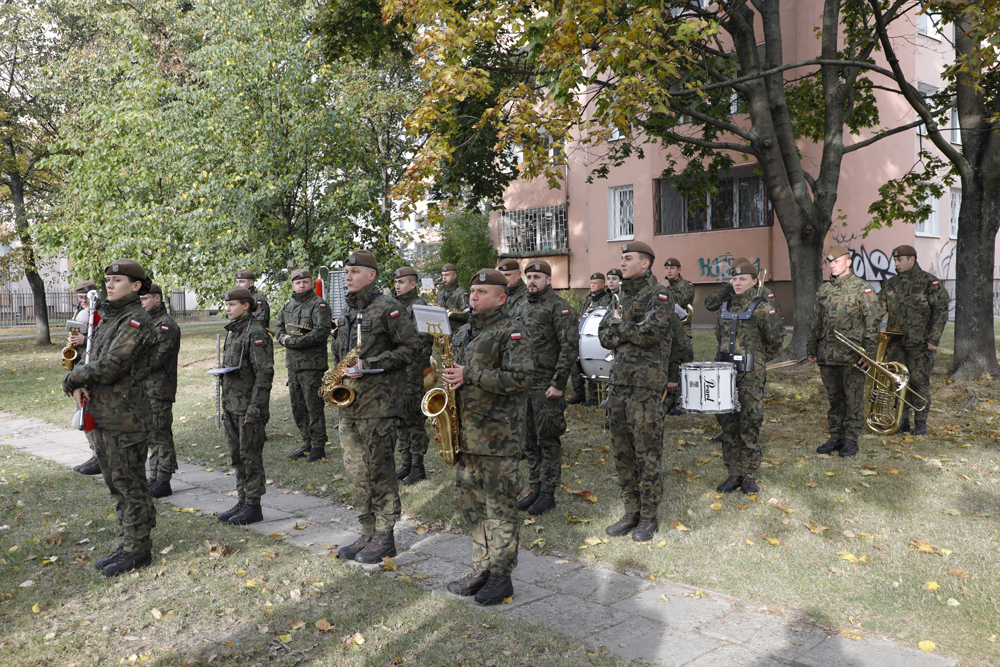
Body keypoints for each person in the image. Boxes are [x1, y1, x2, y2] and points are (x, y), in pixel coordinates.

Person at [62, 259, 157, 577]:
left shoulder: (137, 320)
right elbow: (93, 358)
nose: (110, 285)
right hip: (103, 411)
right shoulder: (107, 318)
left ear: (136, 286)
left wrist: (74, 378)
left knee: (130, 484)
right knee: (116, 484)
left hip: (126, 417)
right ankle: (128, 542)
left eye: (117, 280)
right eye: (108, 280)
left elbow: (114, 363)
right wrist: (81, 384)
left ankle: (138, 550)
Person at [444, 269, 534, 605]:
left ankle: (501, 575)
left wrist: (470, 375)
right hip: (467, 435)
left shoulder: (512, 332)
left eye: (482, 291)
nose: (474, 297)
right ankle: (482, 567)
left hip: (499, 436)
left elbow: (521, 378)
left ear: (501, 297)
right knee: (474, 506)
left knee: (500, 508)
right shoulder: (464, 332)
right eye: (473, 291)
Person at [333, 250, 418, 564]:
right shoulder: (349, 310)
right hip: (350, 402)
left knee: (380, 471)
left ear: (371, 274)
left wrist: (372, 363)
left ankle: (385, 536)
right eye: (346, 272)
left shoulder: (389, 308)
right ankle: (368, 531)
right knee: (357, 473)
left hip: (379, 404)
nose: (348, 276)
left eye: (355, 271)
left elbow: (410, 349)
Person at [598, 242, 674, 542]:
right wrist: (628, 327)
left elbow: (651, 335)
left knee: (647, 453)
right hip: (617, 386)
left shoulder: (660, 295)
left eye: (628, 258)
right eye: (621, 258)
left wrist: (621, 326)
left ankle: (648, 516)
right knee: (622, 452)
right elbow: (604, 336)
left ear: (645, 263)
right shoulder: (619, 296)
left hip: (645, 387)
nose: (622, 262)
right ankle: (631, 510)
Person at [713, 261, 786, 495]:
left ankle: (750, 476)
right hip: (725, 374)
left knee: (750, 422)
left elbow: (775, 340)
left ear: (754, 281)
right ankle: (733, 473)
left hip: (751, 375)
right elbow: (719, 336)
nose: (737, 283)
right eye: (734, 279)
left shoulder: (762, 308)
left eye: (742, 279)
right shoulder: (724, 307)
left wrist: (758, 361)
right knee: (728, 423)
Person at [514, 260, 578, 516]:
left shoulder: (559, 308)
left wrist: (559, 383)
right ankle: (535, 488)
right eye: (529, 276)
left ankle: (548, 494)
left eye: (537, 277)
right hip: (523, 385)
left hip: (546, 385)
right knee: (529, 440)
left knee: (547, 438)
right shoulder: (519, 306)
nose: (532, 281)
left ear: (549, 280)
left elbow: (569, 347)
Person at [807, 246, 881, 458]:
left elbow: (872, 321)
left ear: (848, 263)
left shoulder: (862, 288)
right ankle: (836, 436)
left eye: (837, 261)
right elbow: (816, 321)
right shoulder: (824, 290)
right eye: (830, 262)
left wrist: (869, 352)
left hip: (852, 355)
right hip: (828, 354)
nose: (832, 265)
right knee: (834, 399)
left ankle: (851, 439)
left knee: (853, 399)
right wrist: (811, 347)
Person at [215, 287, 275, 526]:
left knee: (250, 457)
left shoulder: (256, 332)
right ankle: (243, 500)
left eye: (232, 305)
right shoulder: (233, 332)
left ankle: (253, 505)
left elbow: (264, 374)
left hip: (248, 407)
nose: (227, 309)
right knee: (237, 456)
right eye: (226, 305)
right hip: (232, 404)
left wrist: (255, 409)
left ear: (246, 305)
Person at [877, 245, 949, 434]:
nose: (896, 263)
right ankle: (901, 421)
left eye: (899, 260)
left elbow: (940, 311)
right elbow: (877, 310)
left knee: (918, 382)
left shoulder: (929, 282)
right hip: (895, 343)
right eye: (895, 260)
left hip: (920, 343)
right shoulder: (890, 284)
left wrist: (934, 338)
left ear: (912, 260)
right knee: (897, 381)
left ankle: (920, 422)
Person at [275, 269, 332, 461]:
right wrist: (282, 338)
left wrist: (295, 342)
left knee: (313, 406)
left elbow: (321, 331)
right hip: (293, 366)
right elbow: (278, 327)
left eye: (306, 282)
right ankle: (306, 442)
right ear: (292, 285)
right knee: (297, 406)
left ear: (310, 284)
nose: (302, 285)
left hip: (312, 366)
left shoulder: (320, 305)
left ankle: (318, 445)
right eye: (298, 283)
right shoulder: (288, 305)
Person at [391, 266, 434, 485]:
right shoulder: (396, 305)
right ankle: (406, 462)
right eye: (396, 282)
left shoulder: (420, 306)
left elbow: (421, 341)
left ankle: (418, 466)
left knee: (414, 418)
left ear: (413, 284)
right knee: (401, 418)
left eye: (401, 282)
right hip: (397, 370)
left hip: (413, 370)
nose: (397, 286)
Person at [140, 283, 181, 498]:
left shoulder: (165, 325)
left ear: (157, 299)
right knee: (151, 435)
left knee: (161, 434)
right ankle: (154, 475)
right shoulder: (149, 322)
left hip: (159, 389)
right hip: (146, 388)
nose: (142, 303)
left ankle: (163, 479)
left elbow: (157, 358)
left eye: (145, 298)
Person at [69, 280, 103, 476]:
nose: (82, 301)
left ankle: (100, 456)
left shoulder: (102, 314)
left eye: (85, 297)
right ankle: (95, 453)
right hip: (82, 366)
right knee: (83, 411)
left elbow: (108, 340)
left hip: (94, 369)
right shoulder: (81, 313)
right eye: (80, 298)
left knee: (91, 412)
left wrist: (84, 340)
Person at [569, 272, 611, 406]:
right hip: (581, 334)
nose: (593, 285)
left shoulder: (607, 299)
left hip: (595, 336)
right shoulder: (586, 298)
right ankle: (578, 394)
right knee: (576, 364)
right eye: (591, 283)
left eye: (596, 283)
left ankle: (594, 397)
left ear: (603, 285)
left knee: (592, 363)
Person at [663, 259, 695, 415]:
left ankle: (682, 400)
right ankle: (670, 400)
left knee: (683, 364)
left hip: (683, 331)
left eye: (672, 268)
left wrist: (668, 292)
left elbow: (683, 300)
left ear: (679, 269)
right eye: (667, 268)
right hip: (668, 332)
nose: (669, 271)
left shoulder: (687, 285)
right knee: (670, 365)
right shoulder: (664, 287)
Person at [437, 263, 470, 332]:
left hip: (457, 333)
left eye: (447, 275)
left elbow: (466, 315)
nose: (444, 278)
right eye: (443, 275)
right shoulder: (440, 293)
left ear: (454, 276)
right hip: (441, 331)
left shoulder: (462, 292)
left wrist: (445, 311)